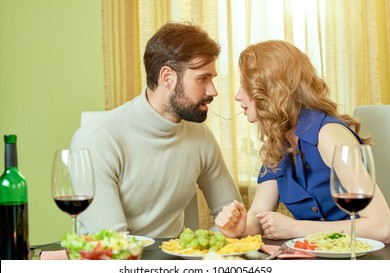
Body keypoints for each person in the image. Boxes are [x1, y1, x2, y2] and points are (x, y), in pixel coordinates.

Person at [70, 21, 242, 238]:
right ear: (167, 77)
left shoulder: (201, 136)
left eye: (212, 78)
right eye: (202, 79)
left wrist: (206, 248)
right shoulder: (97, 140)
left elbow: (231, 214)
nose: (213, 91)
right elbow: (113, 244)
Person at [215, 40, 390, 243]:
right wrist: (240, 228)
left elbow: (383, 226)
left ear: (272, 89)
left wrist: (297, 228)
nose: (238, 96)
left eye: (246, 86)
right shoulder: (279, 143)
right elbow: (257, 219)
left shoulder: (328, 135)